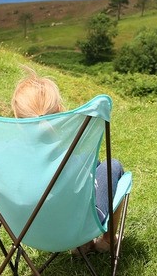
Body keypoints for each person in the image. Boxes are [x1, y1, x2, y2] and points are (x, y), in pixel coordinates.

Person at [11, 69, 125, 254]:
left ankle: (83, 246)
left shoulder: (9, 156)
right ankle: (107, 241)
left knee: (94, 164)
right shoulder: (66, 153)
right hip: (77, 229)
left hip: (29, 230)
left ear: (18, 117)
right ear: (59, 111)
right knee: (113, 166)